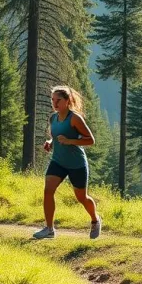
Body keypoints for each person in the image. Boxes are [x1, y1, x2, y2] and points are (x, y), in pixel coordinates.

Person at [33, 86, 101, 240]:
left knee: (82, 198)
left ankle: (95, 220)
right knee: (48, 190)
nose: (54, 103)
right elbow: (56, 136)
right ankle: (49, 229)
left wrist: (70, 141)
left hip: (76, 164)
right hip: (58, 161)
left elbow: (90, 140)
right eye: (52, 100)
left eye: (58, 100)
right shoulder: (53, 118)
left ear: (67, 101)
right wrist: (50, 142)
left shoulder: (75, 118)